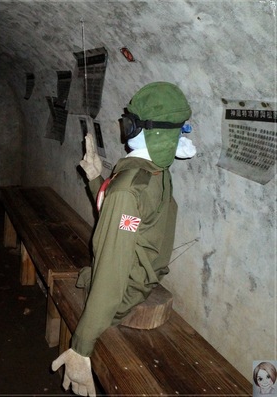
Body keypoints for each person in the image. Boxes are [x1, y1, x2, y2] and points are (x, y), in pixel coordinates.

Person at [52, 82, 196, 395]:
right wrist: (95, 181)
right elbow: (128, 220)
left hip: (121, 298)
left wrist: (82, 345)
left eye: (128, 120)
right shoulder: (155, 171)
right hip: (140, 278)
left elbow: (110, 271)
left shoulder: (130, 187)